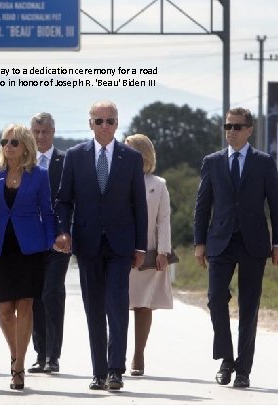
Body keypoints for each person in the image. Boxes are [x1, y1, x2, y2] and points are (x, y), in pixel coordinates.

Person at [54, 100, 148, 391]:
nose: (104, 126)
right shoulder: (75, 156)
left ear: (117, 124)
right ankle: (98, 371)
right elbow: (64, 200)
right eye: (99, 121)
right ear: (90, 123)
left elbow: (139, 205)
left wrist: (141, 246)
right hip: (87, 242)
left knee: (117, 306)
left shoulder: (131, 158)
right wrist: (63, 231)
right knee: (93, 308)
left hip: (121, 244)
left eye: (110, 121)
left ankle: (116, 370)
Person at [193, 107, 278, 389]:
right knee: (215, 299)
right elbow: (202, 205)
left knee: (249, 306)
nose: (230, 131)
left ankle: (243, 369)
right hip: (220, 241)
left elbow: (277, 205)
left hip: (254, 242)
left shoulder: (264, 162)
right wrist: (199, 243)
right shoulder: (212, 162)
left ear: (249, 130)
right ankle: (226, 359)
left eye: (236, 126)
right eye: (227, 126)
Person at [0, 124, 55, 390]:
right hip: (2, 247)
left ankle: (18, 367)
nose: (8, 146)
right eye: (4, 141)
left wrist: (52, 241)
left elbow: (48, 211)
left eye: (14, 142)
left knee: (26, 305)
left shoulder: (39, 175)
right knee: (6, 310)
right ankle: (16, 354)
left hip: (30, 248)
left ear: (25, 147)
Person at [123, 134, 173, 377]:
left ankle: (138, 354)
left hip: (150, 251)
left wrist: (163, 251)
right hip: (120, 250)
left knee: (144, 305)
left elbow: (163, 220)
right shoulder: (116, 180)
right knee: (118, 303)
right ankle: (115, 355)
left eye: (129, 149)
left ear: (142, 154)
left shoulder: (158, 184)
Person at [27, 112, 71, 374]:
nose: (41, 137)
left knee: (52, 293)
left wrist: (65, 232)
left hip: (58, 240)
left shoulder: (66, 162)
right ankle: (40, 353)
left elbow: (72, 201)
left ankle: (53, 356)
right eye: (36, 132)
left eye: (45, 132)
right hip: (31, 240)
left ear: (53, 133)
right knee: (34, 297)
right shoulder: (23, 163)